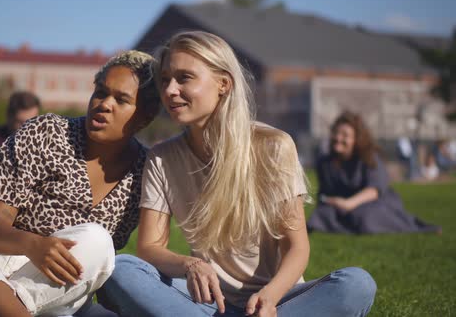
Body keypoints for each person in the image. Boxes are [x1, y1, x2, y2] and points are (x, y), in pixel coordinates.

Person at [101, 31, 376, 317]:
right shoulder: (162, 158)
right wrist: (190, 265)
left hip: (277, 301)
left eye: (184, 78)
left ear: (223, 84)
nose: (170, 90)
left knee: (356, 284)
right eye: (166, 79)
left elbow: (297, 248)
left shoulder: (273, 146)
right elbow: (149, 247)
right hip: (206, 301)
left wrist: (269, 298)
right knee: (121, 270)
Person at [0, 50, 161, 317]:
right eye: (101, 92)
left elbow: (98, 261)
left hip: (49, 289)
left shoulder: (145, 172)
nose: (104, 104)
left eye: (121, 99)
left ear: (144, 117)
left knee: (99, 241)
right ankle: (0, 307)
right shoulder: (46, 132)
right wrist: (34, 245)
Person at [307, 111, 440, 234]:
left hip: (373, 203)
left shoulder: (369, 157)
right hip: (341, 205)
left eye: (345, 135)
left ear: (356, 139)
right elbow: (325, 192)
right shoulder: (325, 162)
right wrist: (330, 201)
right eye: (336, 133)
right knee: (320, 216)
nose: (338, 138)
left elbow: (375, 189)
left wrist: (349, 204)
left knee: (365, 217)